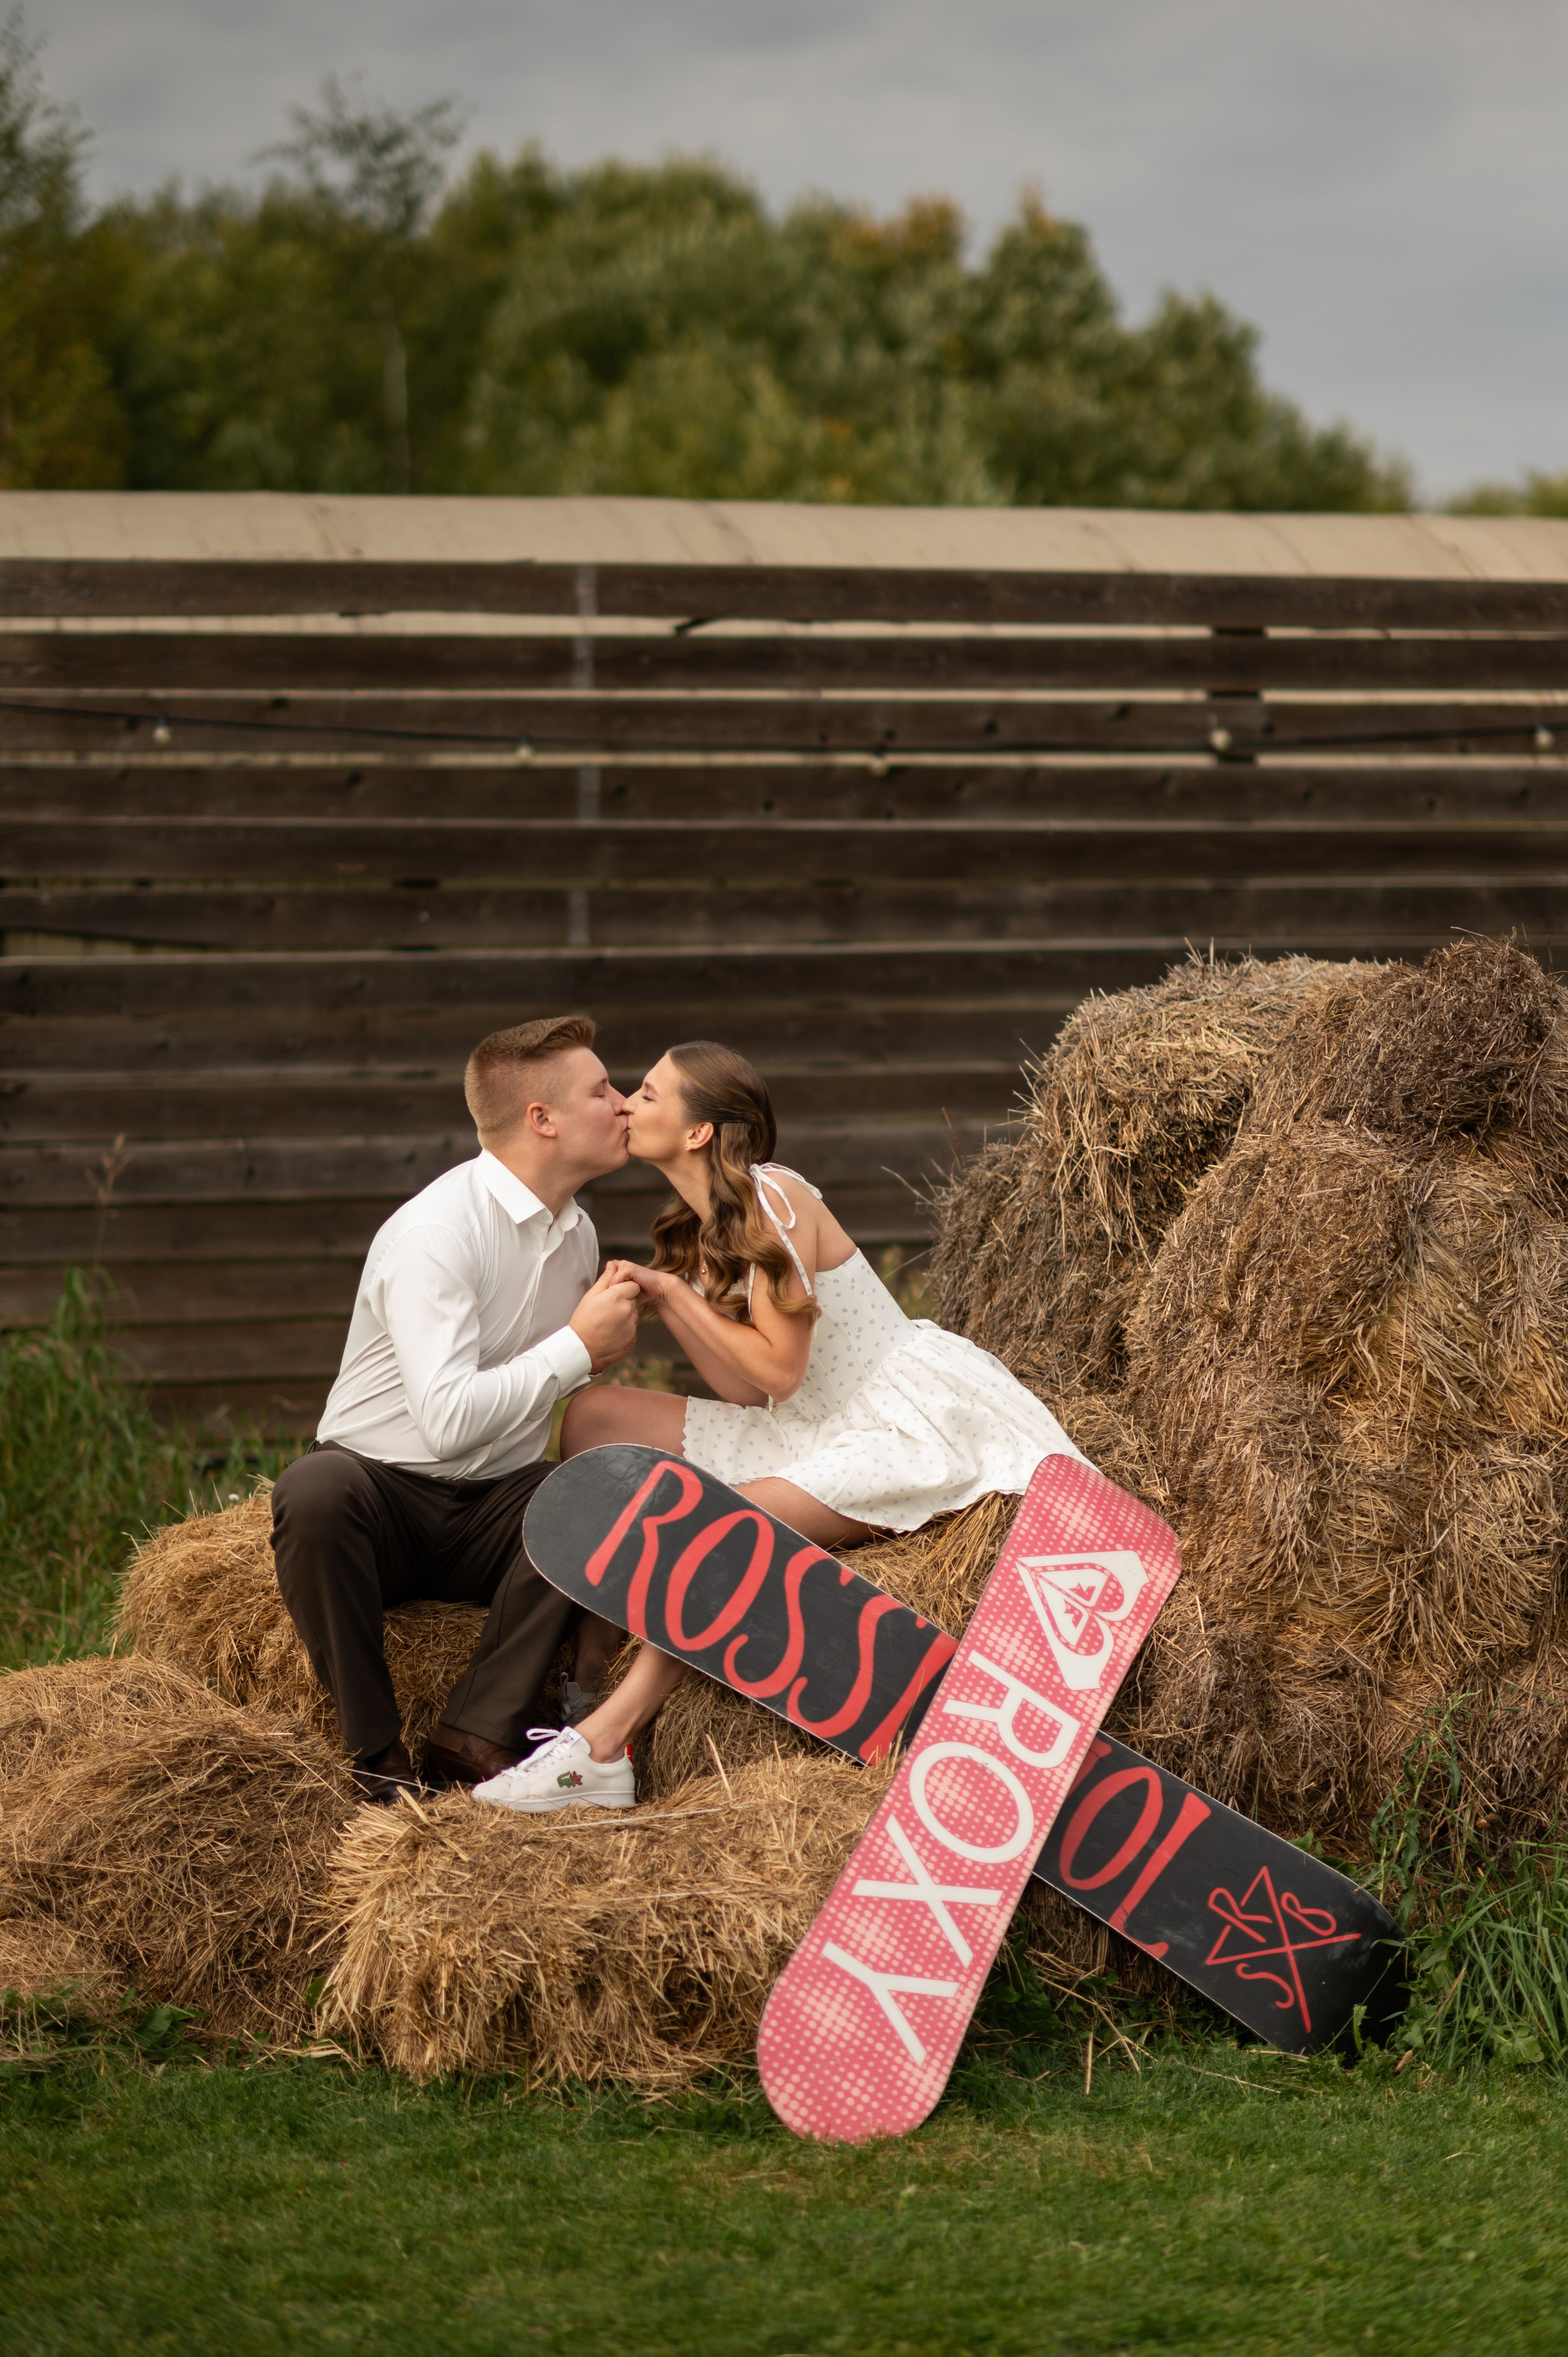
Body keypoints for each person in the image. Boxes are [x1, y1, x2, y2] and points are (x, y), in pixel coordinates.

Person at [472, 1038, 1088, 1815]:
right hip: (803, 1424)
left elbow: (779, 1368)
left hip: (891, 1418)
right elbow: (749, 1390)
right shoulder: (704, 1231)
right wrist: (672, 1296)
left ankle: (604, 1744)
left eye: (649, 1094)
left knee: (715, 1526)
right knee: (594, 1415)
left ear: (698, 1132)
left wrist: (675, 1295)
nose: (627, 1103)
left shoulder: (777, 1196)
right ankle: (583, 1684)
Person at [270, 1014, 642, 1801]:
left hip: (492, 1513)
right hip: (381, 1501)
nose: (624, 1103)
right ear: (541, 1119)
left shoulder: (577, 1234)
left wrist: (599, 1350)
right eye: (601, 1089)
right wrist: (576, 1346)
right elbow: (445, 1420)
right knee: (313, 1489)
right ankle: (375, 1761)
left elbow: (539, 1379)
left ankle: (474, 1739)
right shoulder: (436, 1231)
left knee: (600, 1485)